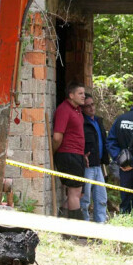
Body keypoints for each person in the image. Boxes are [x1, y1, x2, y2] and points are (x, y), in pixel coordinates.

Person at [53, 82, 86, 221]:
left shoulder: (77, 110)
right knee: (74, 192)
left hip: (77, 155)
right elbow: (57, 136)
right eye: (80, 93)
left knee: (78, 193)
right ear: (71, 95)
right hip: (68, 154)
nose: (83, 96)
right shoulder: (64, 109)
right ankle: (77, 228)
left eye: (84, 93)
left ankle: (61, 222)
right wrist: (54, 152)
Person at [80, 93, 109, 223]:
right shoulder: (81, 122)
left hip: (98, 164)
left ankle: (100, 225)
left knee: (101, 198)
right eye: (88, 106)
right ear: (82, 108)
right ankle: (84, 226)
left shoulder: (98, 121)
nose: (91, 108)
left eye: (92, 104)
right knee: (85, 199)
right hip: (87, 166)